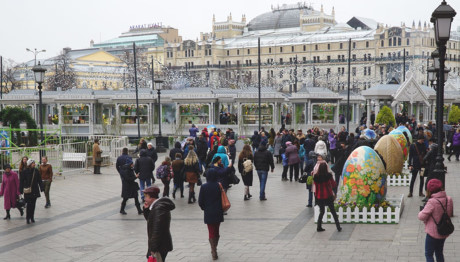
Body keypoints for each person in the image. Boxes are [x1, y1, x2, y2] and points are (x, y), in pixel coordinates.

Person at [418, 179, 453, 262]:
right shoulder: (448, 199)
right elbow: (449, 213)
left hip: (432, 233)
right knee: (439, 253)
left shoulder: (432, 202)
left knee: (429, 254)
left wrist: (421, 211)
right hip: (443, 230)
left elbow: (421, 217)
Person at [198, 164, 224, 260]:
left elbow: (200, 201)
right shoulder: (219, 185)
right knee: (216, 230)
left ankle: (213, 250)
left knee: (211, 231)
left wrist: (204, 208)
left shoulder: (204, 187)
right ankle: (215, 247)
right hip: (218, 211)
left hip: (208, 212)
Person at [143, 185, 175, 262]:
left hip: (160, 245)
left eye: (146, 197)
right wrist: (146, 210)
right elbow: (150, 220)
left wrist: (153, 248)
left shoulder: (159, 209)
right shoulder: (156, 207)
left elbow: (157, 230)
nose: (145, 199)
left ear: (152, 198)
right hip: (159, 244)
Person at [314, 162, 341, 232]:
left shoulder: (316, 176)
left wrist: (316, 197)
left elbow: (315, 187)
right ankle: (338, 226)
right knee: (333, 211)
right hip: (328, 195)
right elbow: (334, 184)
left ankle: (319, 226)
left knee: (322, 212)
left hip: (319, 196)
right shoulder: (329, 175)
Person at [19, 159, 43, 224]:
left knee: (33, 205)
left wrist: (41, 188)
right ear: (29, 164)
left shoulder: (36, 171)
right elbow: (21, 181)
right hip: (28, 191)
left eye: (34, 163)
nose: (34, 164)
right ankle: (27, 218)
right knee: (28, 205)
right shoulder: (24, 171)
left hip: (35, 190)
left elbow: (39, 180)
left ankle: (32, 217)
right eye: (33, 163)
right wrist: (20, 190)